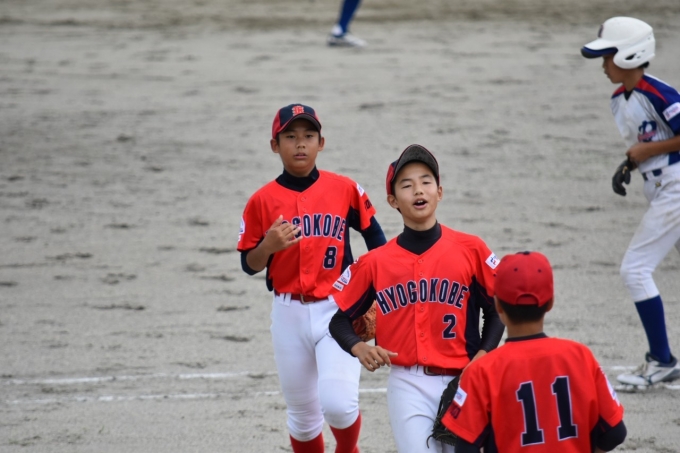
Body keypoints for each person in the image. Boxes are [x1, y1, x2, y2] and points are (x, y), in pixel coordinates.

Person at [328, 144, 505, 452]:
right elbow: (339, 320)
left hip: (465, 379)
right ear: (393, 200)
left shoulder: (471, 249)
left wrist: (483, 356)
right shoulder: (376, 262)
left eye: (426, 181)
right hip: (408, 384)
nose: (418, 190)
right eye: (407, 185)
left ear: (439, 192)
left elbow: (498, 311)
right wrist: (358, 347)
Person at [237, 103, 386, 453]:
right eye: (290, 136)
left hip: (338, 310)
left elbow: (376, 239)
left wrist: (375, 291)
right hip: (288, 314)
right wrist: (268, 247)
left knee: (339, 406)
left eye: (308, 135)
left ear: (321, 143)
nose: (300, 143)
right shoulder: (261, 201)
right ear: (275, 145)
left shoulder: (344, 189)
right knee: (303, 421)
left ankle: (348, 449)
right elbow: (249, 264)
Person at [441, 251, 628, 452]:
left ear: (498, 306)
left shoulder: (482, 371)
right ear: (550, 303)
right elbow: (615, 433)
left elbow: (465, 449)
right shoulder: (581, 357)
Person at [581, 16, 680, 387]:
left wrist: (645, 152)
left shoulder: (659, 93)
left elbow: (655, 145)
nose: (603, 65)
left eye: (608, 57)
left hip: (676, 186)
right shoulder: (618, 100)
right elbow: (646, 146)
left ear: (630, 55)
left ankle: (662, 360)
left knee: (635, 270)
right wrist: (629, 165)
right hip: (660, 187)